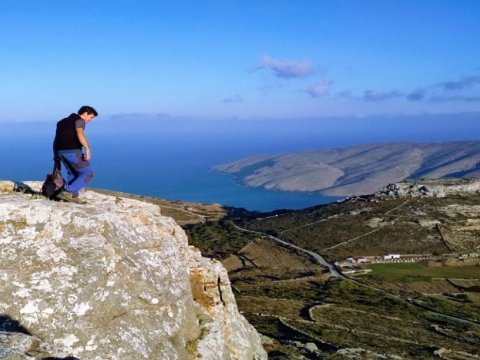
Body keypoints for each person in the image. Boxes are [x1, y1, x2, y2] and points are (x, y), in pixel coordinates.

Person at [53, 105, 98, 204]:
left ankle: (72, 196)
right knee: (88, 173)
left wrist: (56, 155)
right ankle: (67, 191)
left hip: (60, 152)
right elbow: (80, 134)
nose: (91, 120)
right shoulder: (79, 121)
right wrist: (87, 149)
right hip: (72, 151)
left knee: (74, 173)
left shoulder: (61, 122)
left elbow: (56, 139)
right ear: (86, 113)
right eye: (91, 117)